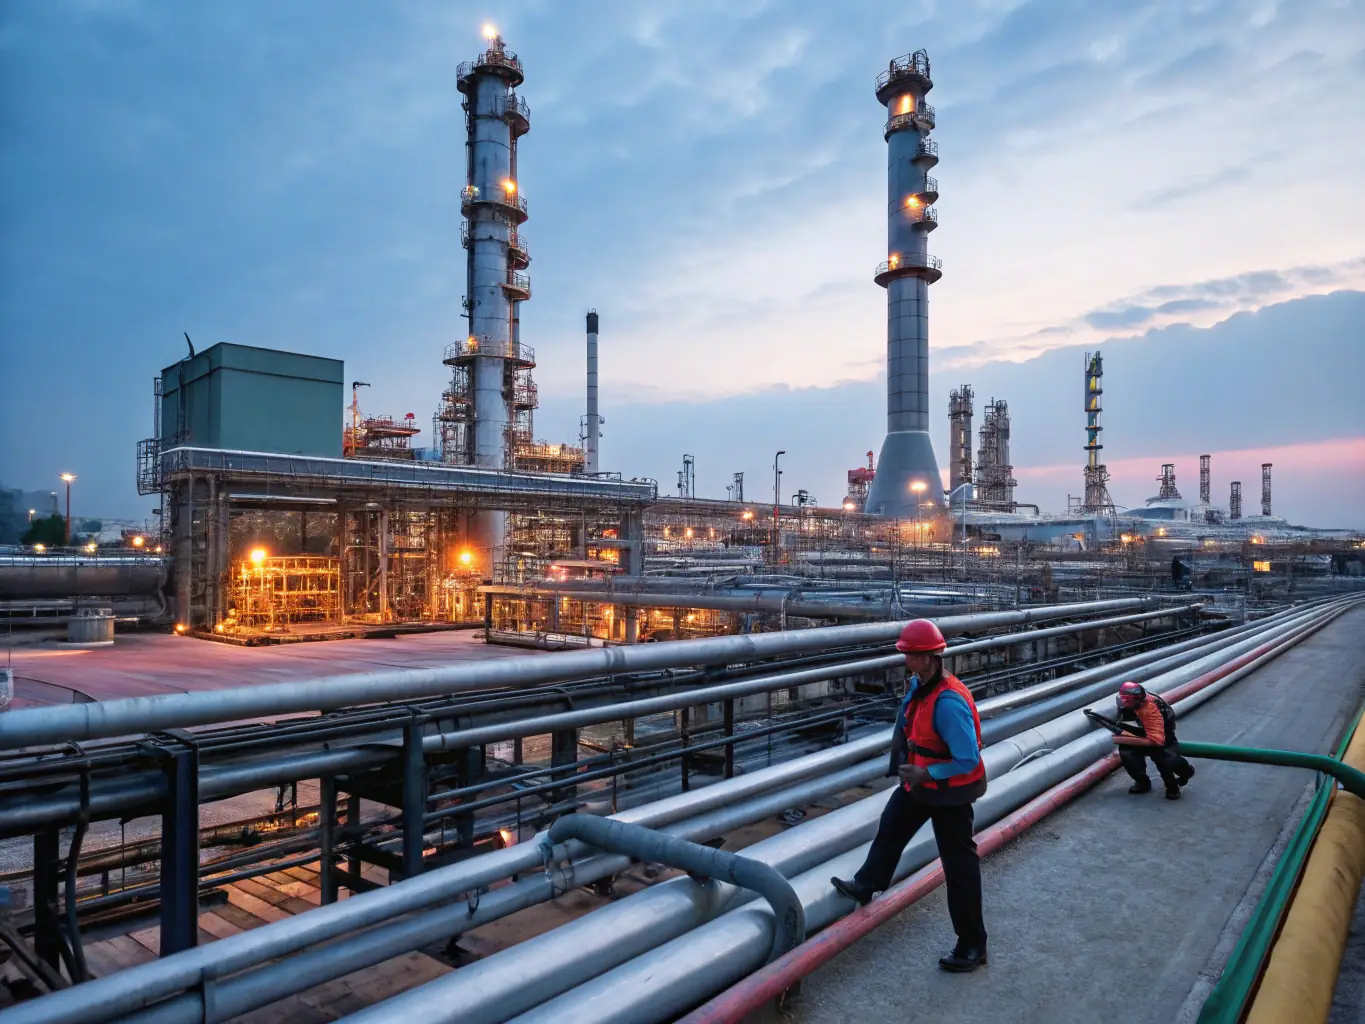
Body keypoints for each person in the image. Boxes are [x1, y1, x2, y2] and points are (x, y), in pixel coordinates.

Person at [831, 618, 988, 972]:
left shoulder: (948, 703)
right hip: (921, 784)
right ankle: (866, 883)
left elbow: (968, 758)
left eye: (913, 656)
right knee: (891, 826)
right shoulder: (920, 687)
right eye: (906, 655)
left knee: (959, 867)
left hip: (950, 792)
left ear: (932, 657)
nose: (907, 661)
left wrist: (927, 772)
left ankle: (972, 946)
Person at [1113, 680, 1195, 800]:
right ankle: (1142, 783)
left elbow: (1156, 741)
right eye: (1123, 699)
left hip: (1161, 734)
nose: (1123, 703)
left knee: (1165, 760)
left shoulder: (1150, 710)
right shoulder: (1125, 699)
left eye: (1127, 701)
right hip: (1139, 728)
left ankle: (1180, 778)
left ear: (1137, 700)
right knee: (1129, 756)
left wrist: (1121, 739)